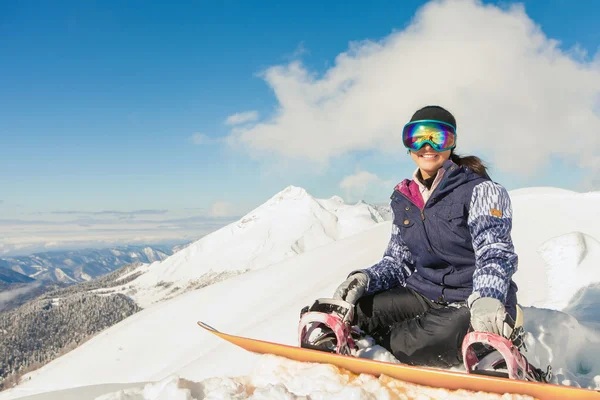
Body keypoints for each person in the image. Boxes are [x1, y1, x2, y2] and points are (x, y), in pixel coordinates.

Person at [331, 105, 520, 368]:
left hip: (471, 300)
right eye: (417, 137)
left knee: (410, 344)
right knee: (357, 311)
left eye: (438, 137)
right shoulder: (404, 197)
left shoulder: (483, 190)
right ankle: (354, 339)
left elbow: (495, 251)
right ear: (408, 145)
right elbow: (398, 262)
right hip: (422, 294)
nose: (427, 145)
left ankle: (492, 335)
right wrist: (365, 279)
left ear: (451, 143)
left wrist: (488, 296)